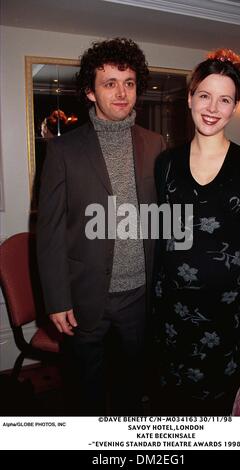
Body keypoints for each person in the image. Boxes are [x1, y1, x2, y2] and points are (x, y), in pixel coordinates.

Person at [36, 37, 165, 415]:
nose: (121, 92)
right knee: (85, 394)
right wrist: (57, 299)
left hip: (139, 297)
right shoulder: (62, 151)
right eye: (110, 83)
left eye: (128, 82)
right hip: (85, 298)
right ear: (90, 92)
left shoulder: (155, 143)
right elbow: (50, 233)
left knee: (131, 389)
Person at [153, 48, 240, 416]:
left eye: (225, 99)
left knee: (221, 406)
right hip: (171, 314)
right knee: (175, 406)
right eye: (205, 95)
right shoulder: (166, 164)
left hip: (230, 317)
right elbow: (162, 238)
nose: (212, 107)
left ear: (236, 106)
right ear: (190, 97)